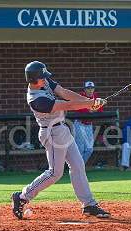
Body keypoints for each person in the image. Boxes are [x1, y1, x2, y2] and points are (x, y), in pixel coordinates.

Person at [11, 61, 110, 219]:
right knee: (55, 173)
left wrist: (88, 103)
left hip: (62, 129)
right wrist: (90, 103)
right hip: (52, 133)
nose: (45, 79)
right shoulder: (36, 99)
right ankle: (22, 197)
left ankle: (88, 205)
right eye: (42, 78)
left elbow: (64, 92)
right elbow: (66, 105)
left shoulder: (44, 81)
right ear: (33, 79)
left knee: (78, 165)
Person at [73, 81, 103, 164]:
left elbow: (100, 110)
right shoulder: (81, 97)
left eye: (91, 88)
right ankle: (79, 169)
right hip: (79, 124)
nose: (90, 90)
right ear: (84, 90)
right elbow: (79, 109)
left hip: (89, 125)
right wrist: (92, 109)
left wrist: (101, 104)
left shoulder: (96, 97)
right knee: (80, 149)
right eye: (88, 88)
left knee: (89, 149)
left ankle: (79, 167)